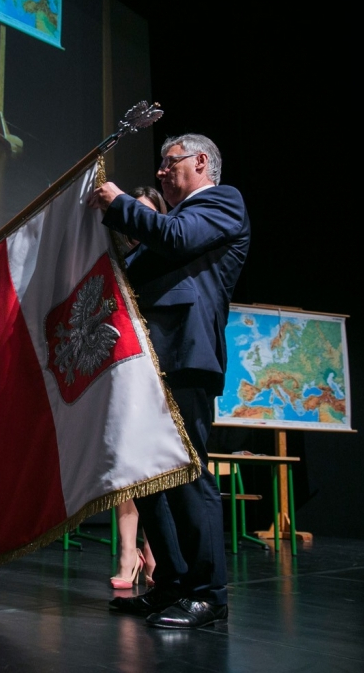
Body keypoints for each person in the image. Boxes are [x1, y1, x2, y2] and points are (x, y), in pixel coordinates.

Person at [89, 133, 250, 628]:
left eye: (169, 162)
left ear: (201, 162)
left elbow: (177, 238)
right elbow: (134, 269)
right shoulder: (170, 224)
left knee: (186, 474)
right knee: (148, 478)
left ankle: (209, 593)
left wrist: (117, 203)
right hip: (146, 359)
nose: (160, 172)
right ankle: (174, 584)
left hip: (184, 355)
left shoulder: (222, 203)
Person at [110, 186, 164, 590]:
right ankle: (128, 553)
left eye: (144, 213)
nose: (135, 221)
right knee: (129, 468)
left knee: (159, 467)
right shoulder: (114, 258)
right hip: (125, 368)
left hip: (162, 368)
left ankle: (156, 552)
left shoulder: (168, 254)